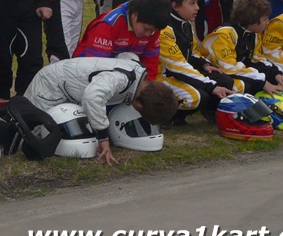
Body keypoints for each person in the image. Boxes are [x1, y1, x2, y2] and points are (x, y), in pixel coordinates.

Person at [23, 54, 177, 165]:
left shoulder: (139, 73)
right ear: (140, 105)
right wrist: (103, 137)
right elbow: (92, 97)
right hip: (50, 84)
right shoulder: (121, 79)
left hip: (67, 87)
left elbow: (126, 56)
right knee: (28, 131)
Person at [156, 0, 233, 123]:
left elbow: (191, 53)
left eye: (197, 2)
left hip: (180, 73)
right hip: (162, 77)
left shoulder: (186, 24)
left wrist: (204, 65)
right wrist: (211, 87)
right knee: (198, 96)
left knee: (225, 80)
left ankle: (211, 112)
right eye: (192, 3)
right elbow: (177, 67)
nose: (197, 8)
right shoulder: (165, 29)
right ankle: (168, 116)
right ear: (175, 6)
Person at [200, 0, 283, 94]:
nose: (267, 23)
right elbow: (229, 68)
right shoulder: (224, 35)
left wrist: (275, 74)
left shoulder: (253, 33)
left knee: (273, 79)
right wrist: (263, 83)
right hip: (210, 74)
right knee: (243, 86)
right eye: (265, 19)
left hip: (230, 72)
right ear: (251, 20)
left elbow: (257, 60)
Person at [72, 0, 171, 80]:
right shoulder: (108, 25)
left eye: (152, 31)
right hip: (82, 72)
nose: (148, 34)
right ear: (135, 15)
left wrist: (145, 89)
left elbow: (150, 65)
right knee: (129, 59)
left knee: (132, 62)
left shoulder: (152, 26)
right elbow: (96, 66)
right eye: (146, 29)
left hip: (114, 70)